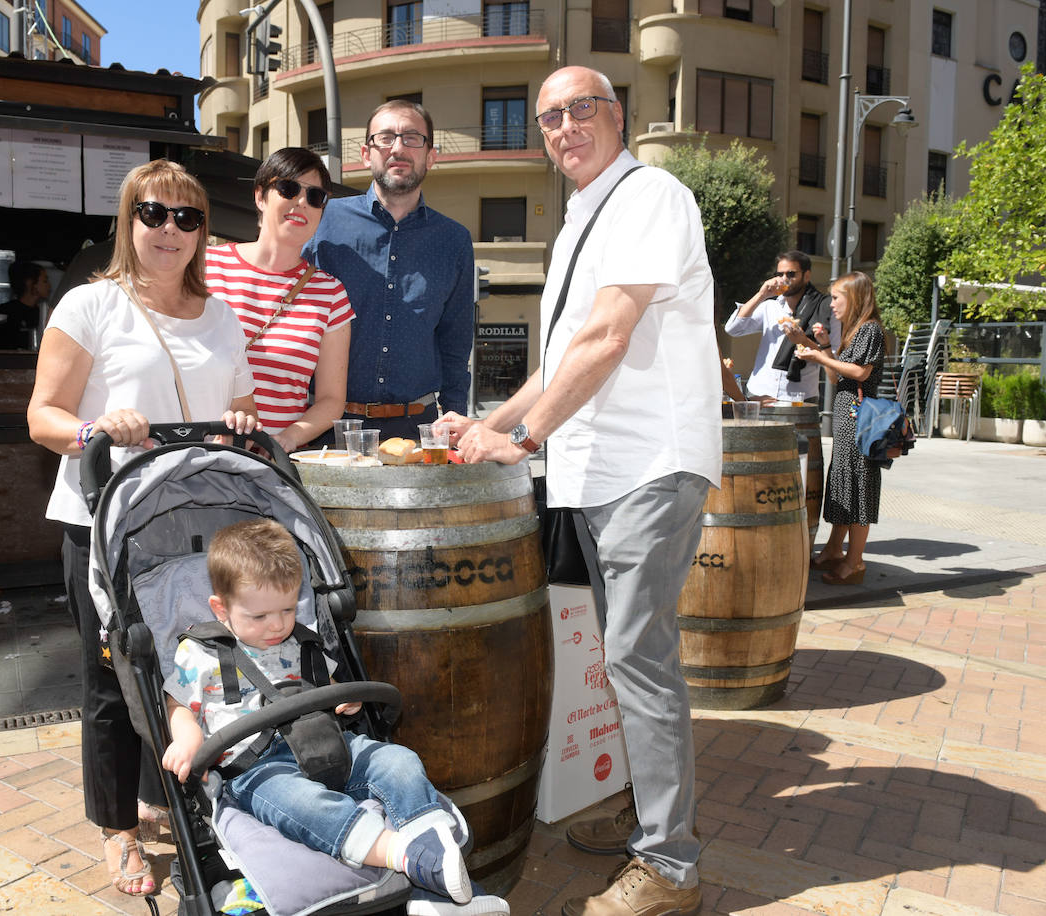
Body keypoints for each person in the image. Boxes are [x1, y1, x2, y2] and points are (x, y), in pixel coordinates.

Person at [436, 66, 721, 916]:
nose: (563, 127)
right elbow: (560, 364)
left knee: (638, 657)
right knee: (627, 658)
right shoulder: (578, 225)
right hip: (597, 474)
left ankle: (669, 866)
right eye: (549, 117)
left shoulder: (649, 197)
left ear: (617, 116)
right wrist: (488, 419)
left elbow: (605, 336)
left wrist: (520, 438)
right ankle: (651, 821)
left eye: (580, 109)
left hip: (648, 466)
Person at [27, 158, 259, 898]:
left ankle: (171, 796)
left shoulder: (221, 315)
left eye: (187, 217)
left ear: (202, 231)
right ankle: (118, 829)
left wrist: (241, 424)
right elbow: (42, 416)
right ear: (128, 221)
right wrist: (98, 426)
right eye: (154, 213)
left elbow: (240, 404)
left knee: (187, 670)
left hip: (192, 522)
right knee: (111, 677)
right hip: (103, 524)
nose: (170, 229)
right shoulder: (90, 306)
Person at [161, 519, 509, 916]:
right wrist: (187, 737)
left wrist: (345, 700)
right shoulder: (202, 653)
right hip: (259, 768)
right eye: (259, 617)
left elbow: (327, 682)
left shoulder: (302, 640)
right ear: (221, 608)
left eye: (288, 609)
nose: (277, 625)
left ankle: (432, 869)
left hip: (327, 743)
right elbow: (178, 703)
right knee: (306, 805)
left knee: (397, 760)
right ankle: (404, 856)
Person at [302, 99, 475, 441]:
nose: (398, 148)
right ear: (367, 154)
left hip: (420, 430)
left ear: (431, 155)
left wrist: (456, 418)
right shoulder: (323, 221)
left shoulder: (454, 240)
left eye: (412, 138)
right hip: (329, 427)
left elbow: (455, 341)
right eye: (386, 138)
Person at [205, 148, 353, 454]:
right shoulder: (204, 267)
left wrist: (283, 440)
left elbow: (331, 400)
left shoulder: (330, 293)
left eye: (315, 197)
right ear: (260, 196)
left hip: (271, 469)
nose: (302, 202)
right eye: (288, 188)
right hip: (195, 454)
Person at [796, 271, 886, 586]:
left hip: (859, 423)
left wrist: (821, 356)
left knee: (859, 490)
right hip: (848, 422)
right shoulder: (854, 330)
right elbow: (839, 377)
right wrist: (826, 349)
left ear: (854, 298)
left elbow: (860, 372)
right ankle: (835, 551)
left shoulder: (871, 330)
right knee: (845, 486)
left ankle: (855, 563)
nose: (831, 304)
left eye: (836, 297)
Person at [722, 251, 839, 403]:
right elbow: (733, 329)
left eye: (791, 274)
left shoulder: (825, 308)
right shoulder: (770, 306)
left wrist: (803, 341)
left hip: (800, 396)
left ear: (807, 275)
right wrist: (761, 295)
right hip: (760, 392)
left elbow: (832, 359)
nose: (784, 279)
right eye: (780, 274)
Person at [0, 261, 49, 349]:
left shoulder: (44, 313)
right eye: (45, 281)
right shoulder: (4, 312)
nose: (49, 286)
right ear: (30, 283)